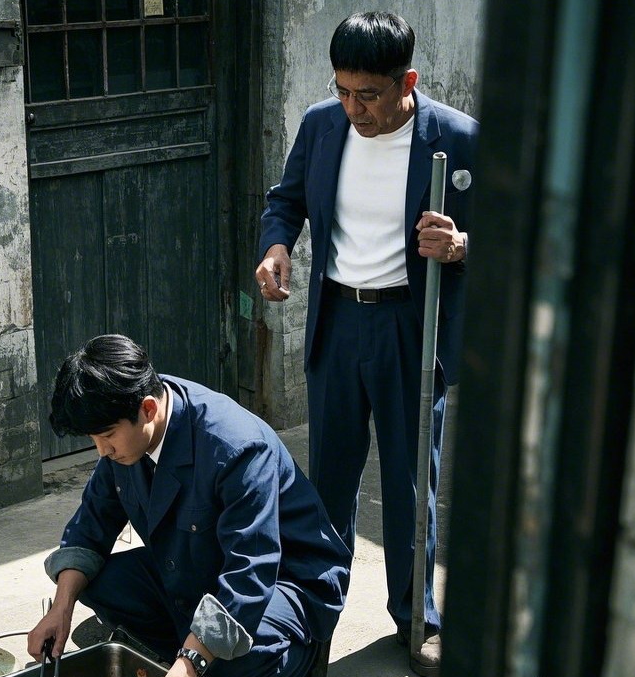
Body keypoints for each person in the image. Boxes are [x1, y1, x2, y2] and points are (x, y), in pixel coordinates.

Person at [255, 11, 478, 676]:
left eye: (369, 95)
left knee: (412, 481)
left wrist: (462, 245)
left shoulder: (457, 138)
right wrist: (275, 248)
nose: (354, 108)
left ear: (407, 81)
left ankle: (418, 619)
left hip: (412, 323)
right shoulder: (323, 125)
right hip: (337, 322)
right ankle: (311, 619)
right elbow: (285, 201)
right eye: (344, 91)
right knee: (327, 484)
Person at [27, 334, 352, 677]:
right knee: (93, 582)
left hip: (284, 579)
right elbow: (91, 525)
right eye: (93, 439)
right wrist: (61, 609)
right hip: (197, 563)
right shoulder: (127, 420)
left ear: (148, 410)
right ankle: (193, 648)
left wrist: (190, 663)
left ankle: (296, 656)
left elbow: (250, 574)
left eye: (107, 436)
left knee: (235, 658)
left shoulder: (236, 448)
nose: (101, 450)